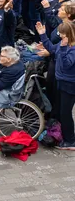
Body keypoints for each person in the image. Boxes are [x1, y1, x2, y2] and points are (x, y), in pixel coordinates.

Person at [36, 19, 75, 150]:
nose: (60, 36)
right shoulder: (64, 43)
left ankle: (70, 141)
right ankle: (66, 135)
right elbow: (53, 49)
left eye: (62, 34)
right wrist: (43, 34)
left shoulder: (72, 48)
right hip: (62, 81)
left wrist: (63, 49)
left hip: (70, 85)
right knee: (61, 110)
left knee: (65, 113)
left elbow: (66, 64)